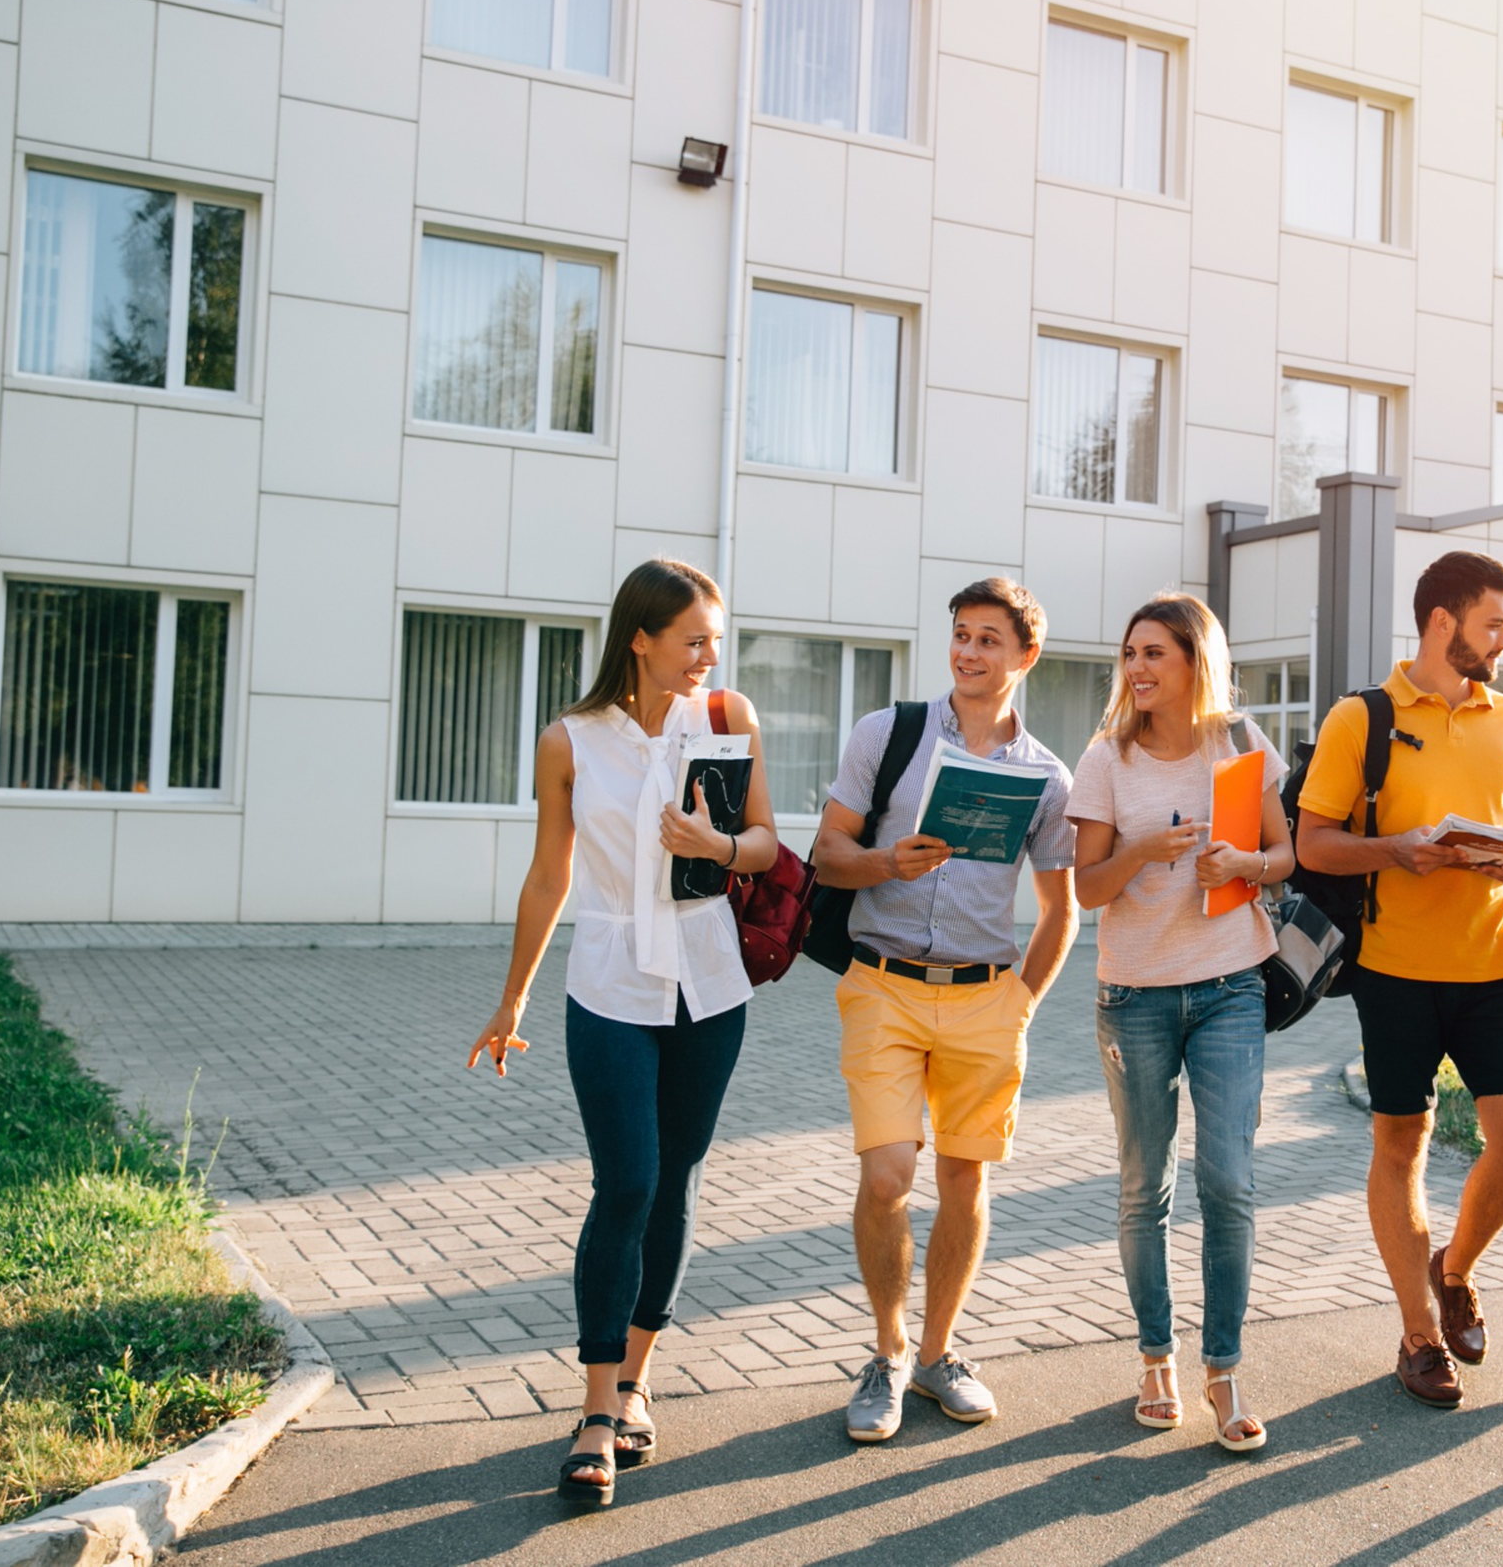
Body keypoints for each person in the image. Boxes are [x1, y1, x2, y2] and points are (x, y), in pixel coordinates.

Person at [467, 558, 778, 1508]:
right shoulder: (568, 741)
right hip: (607, 980)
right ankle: (595, 1406)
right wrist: (512, 996)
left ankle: (638, 1377)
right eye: (693, 639)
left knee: (677, 1179)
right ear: (640, 637)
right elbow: (547, 876)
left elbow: (766, 841)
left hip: (710, 982)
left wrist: (716, 848)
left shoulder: (729, 720)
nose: (708, 656)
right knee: (627, 1179)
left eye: (715, 640)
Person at [811, 578, 1079, 1443]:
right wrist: (888, 864)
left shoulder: (1046, 776)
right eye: (961, 635)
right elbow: (826, 853)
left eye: (988, 639)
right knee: (887, 1174)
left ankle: (937, 1354)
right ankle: (887, 1354)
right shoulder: (886, 735)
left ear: (1025, 656)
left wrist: (1021, 1003)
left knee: (966, 1180)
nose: (968, 652)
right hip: (882, 984)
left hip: (983, 998)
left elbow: (1063, 907)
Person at [1293, 550, 1503, 1409]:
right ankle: (1418, 1333)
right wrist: (1396, 850)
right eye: (1494, 622)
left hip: (1492, 964)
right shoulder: (1359, 718)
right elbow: (1313, 843)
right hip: (1393, 970)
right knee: (1399, 1145)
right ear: (1444, 621)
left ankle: (1457, 1269)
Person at [1069, 593, 1296, 1454]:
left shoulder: (1240, 743)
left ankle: (1225, 1365)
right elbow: (1085, 888)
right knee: (1144, 1184)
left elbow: (1286, 854)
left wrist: (1245, 862)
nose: (1137, 668)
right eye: (1130, 653)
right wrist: (1143, 854)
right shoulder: (1107, 759)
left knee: (1229, 1180)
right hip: (1135, 992)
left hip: (1230, 984)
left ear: (1195, 660)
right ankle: (1156, 1353)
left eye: (1154, 653)